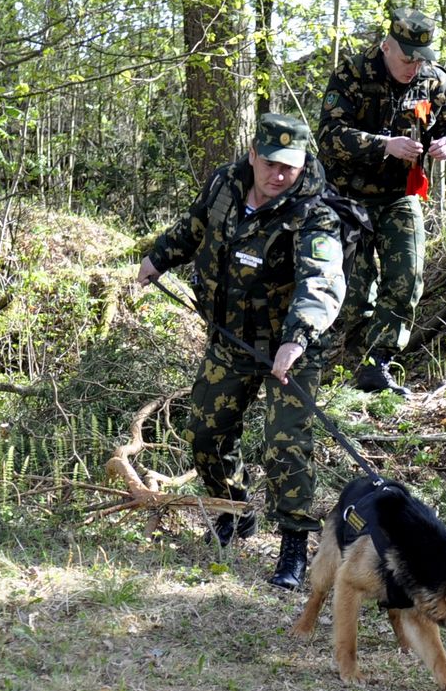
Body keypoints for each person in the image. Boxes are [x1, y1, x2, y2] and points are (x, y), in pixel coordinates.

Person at [134, 112, 346, 590]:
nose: (278, 175)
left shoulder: (316, 212)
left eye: (289, 167)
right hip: (232, 339)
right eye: (270, 163)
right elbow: (193, 227)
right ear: (253, 155)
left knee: (284, 444)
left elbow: (322, 283)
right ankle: (232, 510)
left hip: (294, 347)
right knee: (207, 430)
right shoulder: (225, 184)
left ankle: (294, 546)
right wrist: (159, 257)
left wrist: (297, 338)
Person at [317, 8, 446, 394]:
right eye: (407, 58)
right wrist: (384, 145)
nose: (414, 67)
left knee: (406, 278)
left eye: (421, 59)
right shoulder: (352, 74)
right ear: (386, 46)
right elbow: (330, 135)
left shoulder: (434, 82)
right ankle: (342, 361)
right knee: (352, 290)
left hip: (399, 196)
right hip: (346, 197)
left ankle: (377, 363)